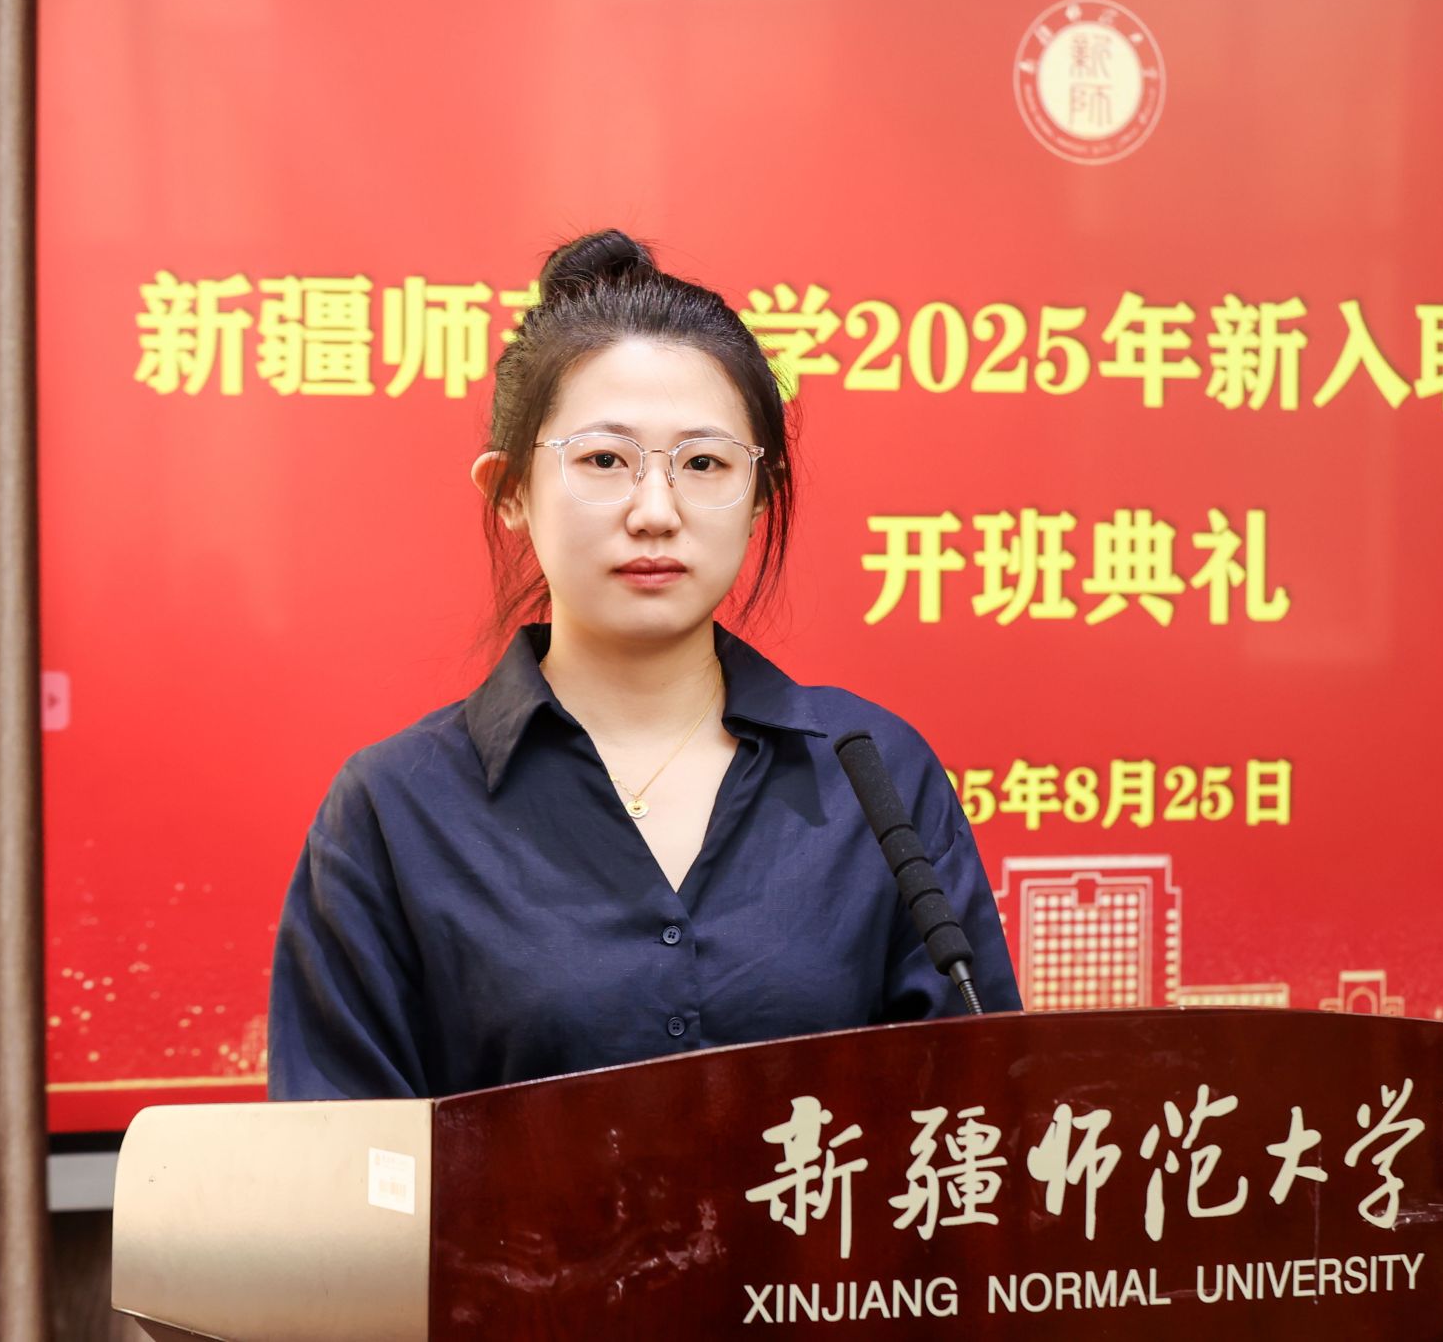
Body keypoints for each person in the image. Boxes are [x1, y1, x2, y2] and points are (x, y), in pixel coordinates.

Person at [267, 230, 1020, 1100]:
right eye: (603, 460)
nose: (656, 510)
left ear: (760, 494)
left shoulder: (873, 773)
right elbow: (345, 1156)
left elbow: (977, 1121)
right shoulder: (394, 809)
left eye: (703, 463)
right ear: (509, 490)